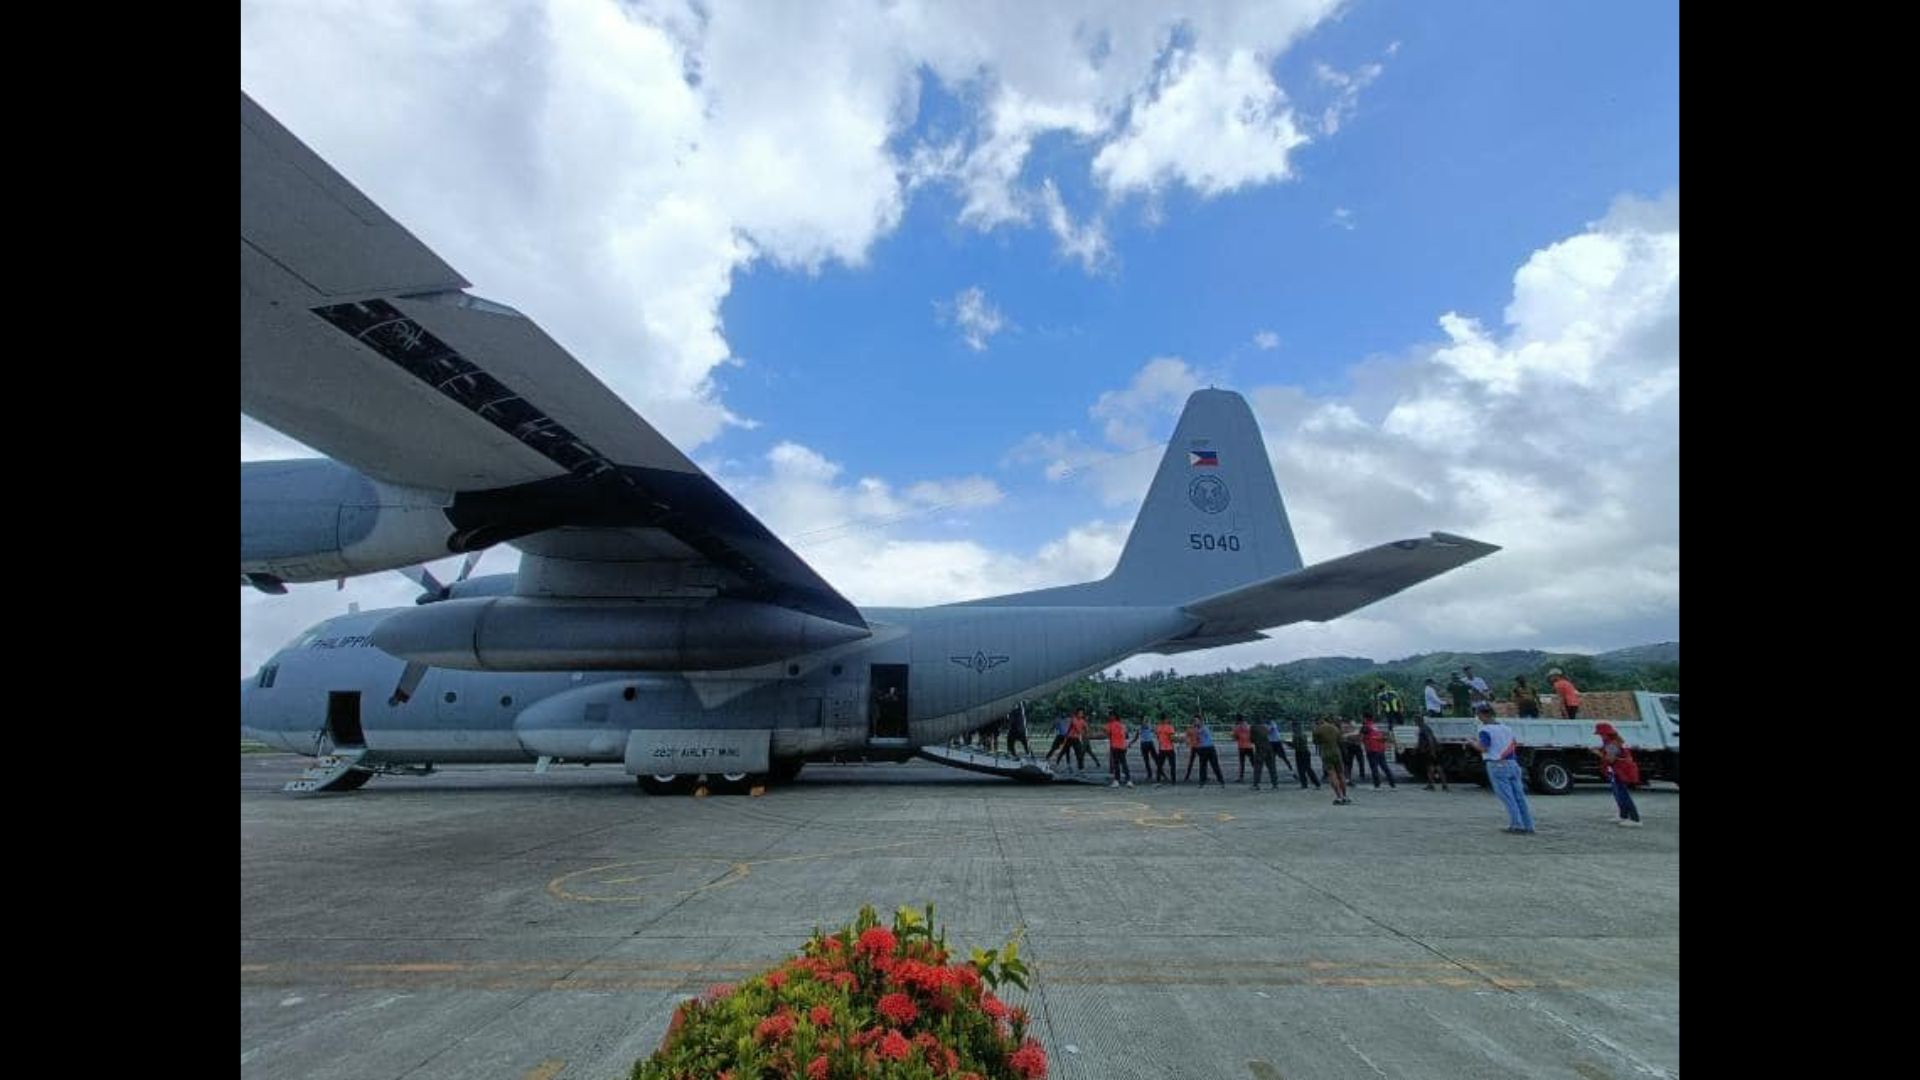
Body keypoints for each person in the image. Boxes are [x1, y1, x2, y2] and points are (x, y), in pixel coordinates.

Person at [1476, 703, 1534, 834]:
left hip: (1496, 763)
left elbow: (1484, 748)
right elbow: (1514, 743)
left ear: (1483, 715)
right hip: (1512, 763)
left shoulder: (1484, 730)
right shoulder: (1507, 728)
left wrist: (1472, 743)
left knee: (1508, 797)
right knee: (1520, 796)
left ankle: (1516, 824)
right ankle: (1528, 825)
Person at [1594, 722, 1641, 826]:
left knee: (1623, 794)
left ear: (1607, 733)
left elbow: (1610, 758)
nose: (1600, 736)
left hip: (1621, 770)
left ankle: (1635, 819)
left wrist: (1597, 753)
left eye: (1601, 734)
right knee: (1618, 793)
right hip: (1619, 770)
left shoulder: (1613, 743)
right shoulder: (1613, 741)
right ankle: (1623, 815)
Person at [1314, 716, 1350, 804]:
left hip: (1326, 753)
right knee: (1341, 774)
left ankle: (1339, 797)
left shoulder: (1317, 730)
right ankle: (1345, 796)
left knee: (1332, 774)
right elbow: (1340, 741)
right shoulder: (1335, 729)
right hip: (1336, 752)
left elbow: (1316, 742)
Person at [1361, 714, 1397, 790]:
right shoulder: (1374, 726)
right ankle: (1393, 784)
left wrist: (1346, 737)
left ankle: (1377, 785)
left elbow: (1360, 737)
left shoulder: (1365, 727)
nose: (1362, 720)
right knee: (1385, 767)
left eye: (1363, 718)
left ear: (1365, 719)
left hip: (1372, 749)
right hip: (1380, 749)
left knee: (1374, 768)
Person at [1190, 715, 1225, 787]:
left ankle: (1221, 780)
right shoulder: (1196, 729)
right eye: (1194, 721)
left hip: (1210, 748)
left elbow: (1204, 733)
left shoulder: (1205, 728)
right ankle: (1202, 782)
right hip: (1202, 749)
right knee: (1202, 766)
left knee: (1215, 765)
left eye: (1196, 720)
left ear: (1200, 721)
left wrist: (1198, 729)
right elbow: (1195, 737)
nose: (1195, 722)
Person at [1414, 715, 1448, 791]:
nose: (1415, 723)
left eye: (1415, 721)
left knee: (1431, 768)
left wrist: (1432, 751)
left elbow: (1430, 739)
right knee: (1437, 767)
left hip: (1429, 751)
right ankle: (1442, 785)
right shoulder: (1424, 728)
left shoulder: (1424, 728)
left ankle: (1432, 785)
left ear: (1418, 721)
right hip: (1431, 750)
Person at [1248, 715, 1279, 790]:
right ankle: (1275, 784)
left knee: (1258, 767)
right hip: (1269, 748)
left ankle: (1256, 784)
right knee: (1271, 767)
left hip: (1260, 749)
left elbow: (1251, 739)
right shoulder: (1265, 727)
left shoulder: (1253, 727)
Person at [1105, 712, 1135, 788]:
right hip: (1122, 746)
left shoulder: (1110, 725)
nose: (1109, 717)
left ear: (1114, 716)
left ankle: (1117, 781)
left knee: (1116, 764)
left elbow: (1107, 734)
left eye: (1110, 716)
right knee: (1124, 763)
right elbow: (1125, 735)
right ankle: (1128, 780)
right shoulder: (1122, 725)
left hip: (1115, 746)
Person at [1290, 719, 1321, 789]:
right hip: (1305, 752)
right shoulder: (1303, 734)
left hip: (1301, 752)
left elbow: (1296, 746)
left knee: (1303, 769)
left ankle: (1307, 783)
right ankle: (1314, 783)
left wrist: (1289, 744)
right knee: (1307, 768)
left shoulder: (1296, 735)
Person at [1154, 714, 1178, 785]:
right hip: (1169, 748)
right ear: (1165, 719)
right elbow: (1172, 738)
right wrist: (1177, 740)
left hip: (1162, 748)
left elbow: (1158, 737)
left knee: (1159, 765)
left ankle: (1158, 780)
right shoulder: (1170, 727)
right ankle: (1173, 781)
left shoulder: (1158, 727)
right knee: (1172, 765)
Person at [1338, 717, 1364, 783]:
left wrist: (1350, 737)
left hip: (1353, 746)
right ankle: (1352, 774)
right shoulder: (1346, 727)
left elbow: (1346, 736)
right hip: (1353, 746)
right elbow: (1344, 736)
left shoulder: (1354, 727)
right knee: (1354, 761)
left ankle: (1359, 774)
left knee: (1357, 761)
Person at [1232, 717, 1255, 782]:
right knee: (1253, 762)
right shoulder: (1249, 726)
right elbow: (1252, 736)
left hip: (1241, 746)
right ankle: (1257, 774)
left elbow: (1234, 737)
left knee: (1242, 763)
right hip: (1249, 746)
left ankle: (1241, 777)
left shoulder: (1237, 728)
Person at [1138, 718, 1158, 782]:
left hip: (1146, 744)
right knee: (1149, 760)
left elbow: (1156, 733)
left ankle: (1152, 774)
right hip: (1147, 743)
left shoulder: (1145, 727)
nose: (1145, 723)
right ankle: (1151, 774)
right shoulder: (1145, 728)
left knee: (1152, 759)